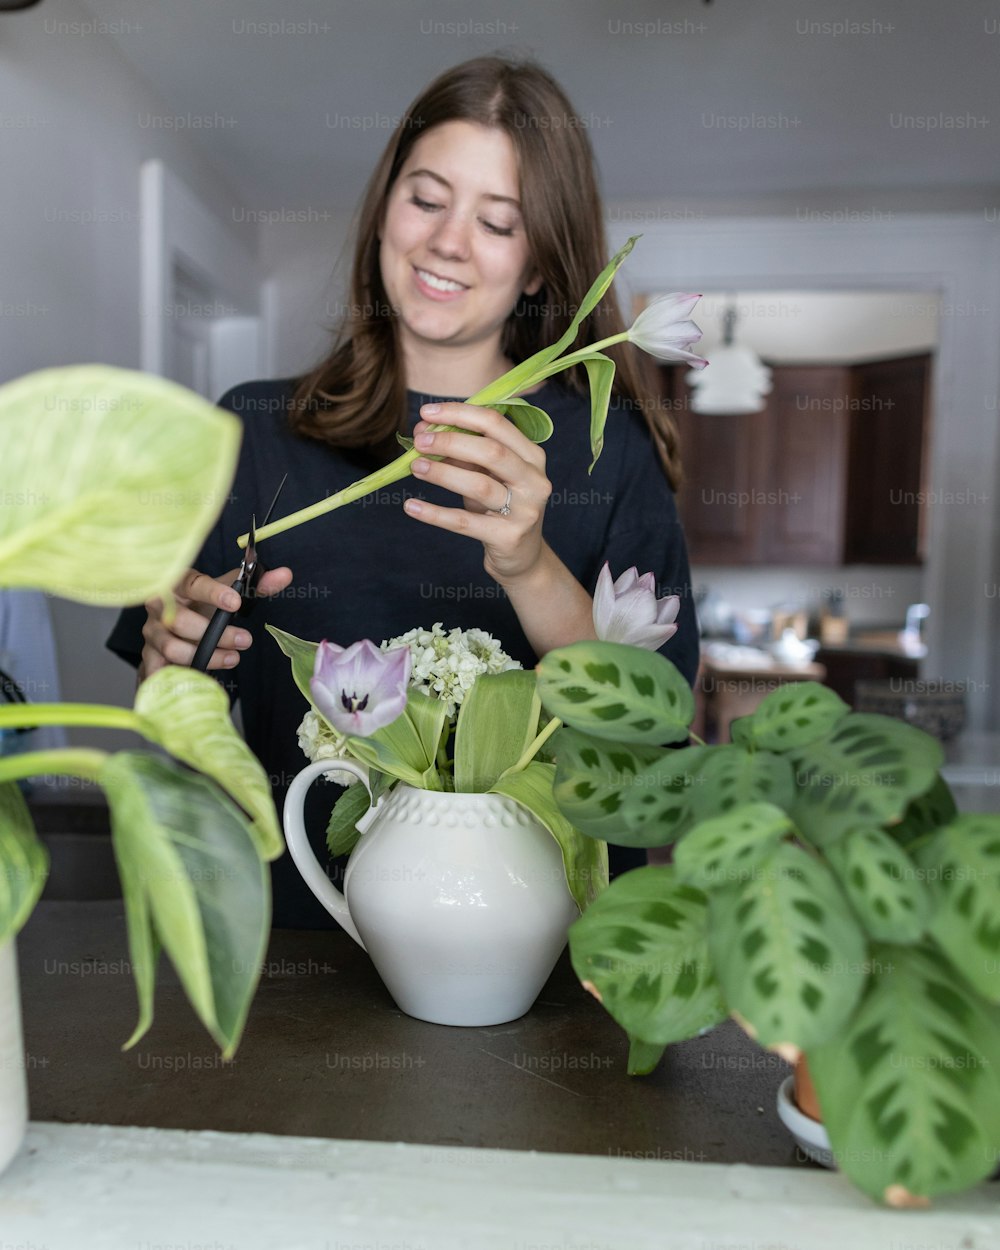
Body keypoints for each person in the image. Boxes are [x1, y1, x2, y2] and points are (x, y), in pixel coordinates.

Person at [107, 56, 700, 927]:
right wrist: (173, 664)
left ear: (540, 267)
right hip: (302, 948)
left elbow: (653, 741)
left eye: (498, 222)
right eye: (426, 199)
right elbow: (170, 735)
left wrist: (529, 564)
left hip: (538, 962)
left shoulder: (612, 452)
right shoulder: (252, 431)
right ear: (386, 209)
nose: (448, 242)